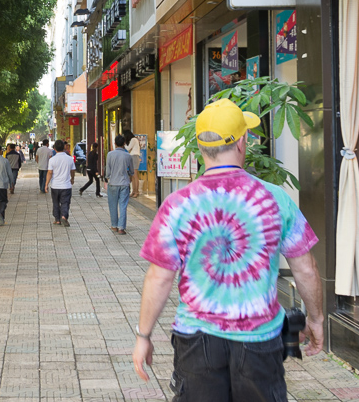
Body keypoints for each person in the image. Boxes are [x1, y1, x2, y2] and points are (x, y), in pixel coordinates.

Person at [132, 99, 325, 401]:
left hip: (197, 340)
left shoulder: (177, 205)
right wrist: (316, 319)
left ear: (200, 147)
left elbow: (159, 277)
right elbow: (306, 268)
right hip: (260, 340)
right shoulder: (275, 198)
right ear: (242, 141)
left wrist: (143, 336)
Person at [104, 135, 133, 233]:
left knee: (112, 205)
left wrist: (107, 177)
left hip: (113, 183)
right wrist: (130, 176)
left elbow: (108, 170)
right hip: (124, 183)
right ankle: (121, 228)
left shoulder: (110, 154)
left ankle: (114, 225)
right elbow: (131, 171)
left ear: (115, 143)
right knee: (123, 205)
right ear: (124, 143)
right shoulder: (128, 155)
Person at [47, 140, 75, 227]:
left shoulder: (52, 160)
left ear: (54, 149)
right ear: (64, 147)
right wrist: (72, 178)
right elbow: (73, 170)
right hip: (66, 186)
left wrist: (46, 184)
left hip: (55, 186)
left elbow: (50, 173)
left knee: (55, 202)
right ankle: (64, 216)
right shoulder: (69, 159)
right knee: (65, 202)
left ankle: (57, 220)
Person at [124, 130, 142, 197]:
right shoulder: (134, 139)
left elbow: (128, 148)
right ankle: (134, 191)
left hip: (134, 157)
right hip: (133, 157)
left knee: (135, 175)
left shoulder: (133, 139)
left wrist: (124, 144)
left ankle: (136, 192)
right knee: (133, 175)